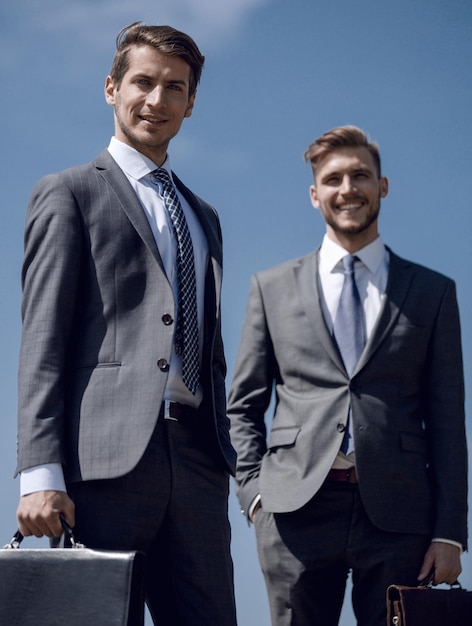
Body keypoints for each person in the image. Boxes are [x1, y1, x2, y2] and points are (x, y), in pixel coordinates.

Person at [15, 22, 237, 626]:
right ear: (111, 87)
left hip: (197, 465)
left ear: (191, 103)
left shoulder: (205, 216)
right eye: (142, 82)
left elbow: (210, 349)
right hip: (101, 467)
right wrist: (39, 473)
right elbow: (43, 342)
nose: (156, 100)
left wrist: (227, 456)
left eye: (174, 88)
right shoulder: (69, 193)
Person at [227, 125, 467, 626]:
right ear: (315, 195)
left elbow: (447, 419)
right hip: (293, 510)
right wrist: (254, 496)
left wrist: (450, 532)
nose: (347, 188)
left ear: (382, 185)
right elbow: (243, 404)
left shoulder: (433, 292)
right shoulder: (270, 288)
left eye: (360, 175)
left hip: (400, 514)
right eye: (333, 178)